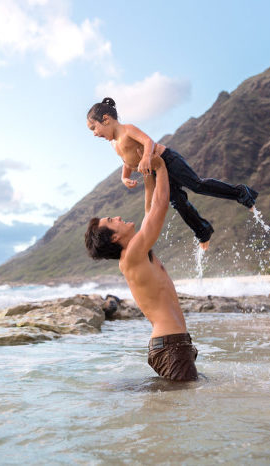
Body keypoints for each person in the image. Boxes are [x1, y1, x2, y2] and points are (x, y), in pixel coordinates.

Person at [86, 97, 258, 249]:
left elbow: (148, 141)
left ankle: (241, 192)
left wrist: (146, 157)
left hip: (168, 159)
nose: (94, 134)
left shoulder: (127, 129)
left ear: (106, 119)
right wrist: (124, 177)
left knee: (197, 185)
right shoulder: (114, 144)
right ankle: (203, 230)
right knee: (178, 202)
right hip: (156, 173)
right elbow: (127, 161)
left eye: (94, 128)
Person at [85, 154, 198, 382]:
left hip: (173, 343)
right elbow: (160, 206)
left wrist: (147, 175)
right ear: (115, 236)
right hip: (171, 344)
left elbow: (149, 210)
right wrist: (161, 166)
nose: (118, 216)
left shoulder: (136, 251)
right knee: (181, 408)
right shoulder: (133, 254)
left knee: (181, 403)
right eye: (111, 219)